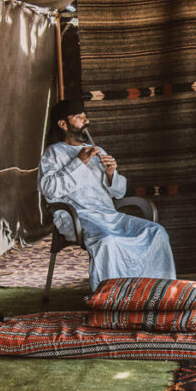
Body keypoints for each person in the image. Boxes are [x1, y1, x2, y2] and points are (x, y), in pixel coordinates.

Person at [39, 99, 175, 291]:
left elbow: (118, 192)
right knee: (108, 241)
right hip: (78, 216)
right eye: (79, 117)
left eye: (85, 116)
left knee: (156, 232)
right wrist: (78, 162)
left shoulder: (98, 151)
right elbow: (50, 189)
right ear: (63, 124)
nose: (86, 121)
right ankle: (112, 297)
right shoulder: (54, 153)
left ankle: (158, 292)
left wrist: (111, 174)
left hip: (108, 214)